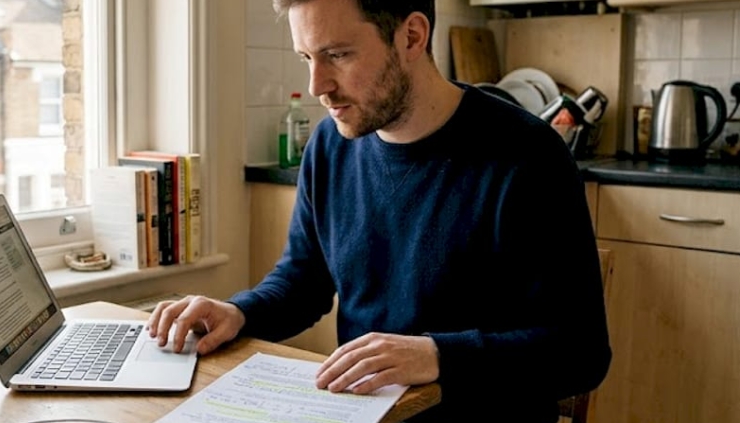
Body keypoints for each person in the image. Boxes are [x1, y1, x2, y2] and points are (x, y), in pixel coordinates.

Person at [147, 0, 611, 420]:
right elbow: (302, 283)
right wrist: (238, 312)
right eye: (307, 58)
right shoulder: (329, 146)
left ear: (412, 36)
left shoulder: (527, 156)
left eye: (338, 55)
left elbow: (582, 354)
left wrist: (436, 356)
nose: (317, 86)